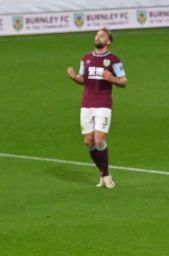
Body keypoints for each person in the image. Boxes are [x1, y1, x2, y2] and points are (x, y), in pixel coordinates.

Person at [66, 28, 127, 189]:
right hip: (86, 104)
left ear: (108, 41)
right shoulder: (86, 58)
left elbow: (124, 81)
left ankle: (106, 174)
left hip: (103, 104)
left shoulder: (114, 60)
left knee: (99, 139)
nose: (97, 37)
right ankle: (103, 172)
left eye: (102, 35)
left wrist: (111, 78)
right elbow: (83, 79)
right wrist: (74, 77)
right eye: (97, 35)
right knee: (88, 142)